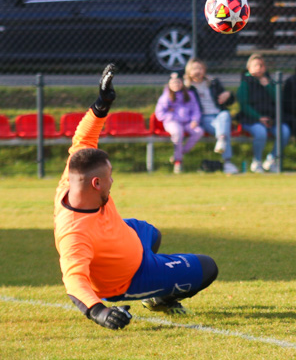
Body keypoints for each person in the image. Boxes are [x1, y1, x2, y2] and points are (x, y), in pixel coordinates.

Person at [53, 65, 218, 330]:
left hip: (127, 238)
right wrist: (100, 313)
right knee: (208, 267)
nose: (113, 181)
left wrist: (102, 103)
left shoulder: (73, 177)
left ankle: (155, 286)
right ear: (96, 183)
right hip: (127, 279)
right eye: (110, 176)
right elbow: (74, 281)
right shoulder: (74, 233)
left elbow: (83, 138)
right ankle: (158, 298)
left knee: (152, 232)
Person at [237, 54, 291, 173]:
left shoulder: (270, 82)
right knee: (260, 132)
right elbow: (244, 105)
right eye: (256, 65)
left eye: (261, 65)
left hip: (271, 120)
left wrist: (267, 86)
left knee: (285, 132)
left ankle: (271, 160)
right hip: (251, 120)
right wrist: (259, 118)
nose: (259, 68)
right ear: (249, 68)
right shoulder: (245, 83)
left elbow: (279, 100)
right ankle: (257, 161)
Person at [185, 58, 239, 175]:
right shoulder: (187, 88)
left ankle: (221, 140)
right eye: (194, 68)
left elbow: (227, 102)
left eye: (200, 68)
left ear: (204, 70)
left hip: (219, 114)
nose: (198, 71)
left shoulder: (214, 83)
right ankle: (227, 162)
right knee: (224, 132)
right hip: (204, 117)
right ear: (188, 71)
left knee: (225, 115)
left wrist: (229, 95)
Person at [155, 72, 204, 174]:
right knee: (177, 133)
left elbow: (196, 109)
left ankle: (180, 153)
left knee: (198, 131)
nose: (176, 85)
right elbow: (159, 113)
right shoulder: (165, 96)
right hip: (172, 122)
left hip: (187, 122)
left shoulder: (189, 95)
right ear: (168, 84)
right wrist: (173, 116)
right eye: (173, 83)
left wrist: (195, 120)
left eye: (178, 82)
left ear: (182, 83)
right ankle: (178, 162)